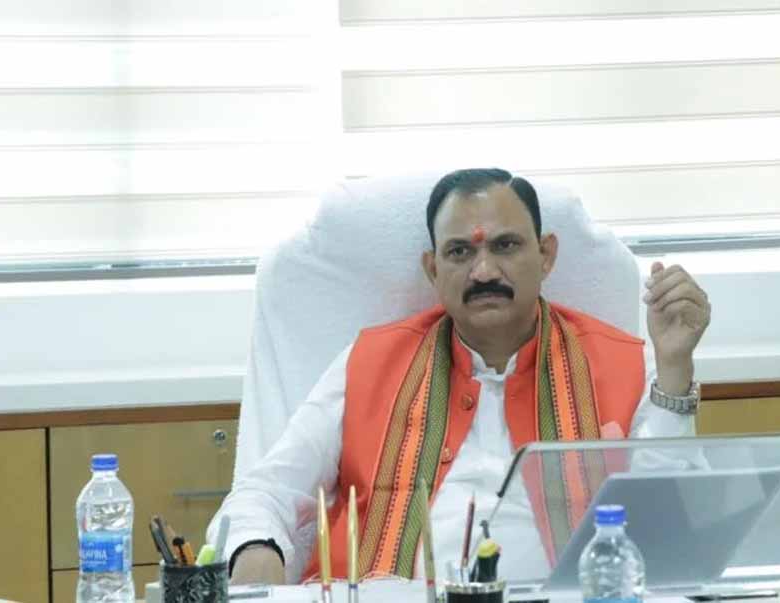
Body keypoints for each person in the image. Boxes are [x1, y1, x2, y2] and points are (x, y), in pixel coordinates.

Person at [208, 168, 711, 584]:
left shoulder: (620, 362)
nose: (484, 271)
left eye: (506, 246)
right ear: (433, 269)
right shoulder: (369, 363)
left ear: (546, 256)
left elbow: (671, 528)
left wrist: (674, 370)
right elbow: (264, 492)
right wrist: (255, 555)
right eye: (460, 252)